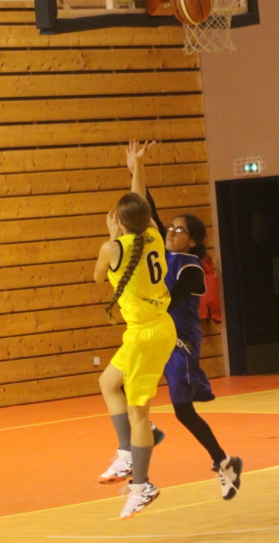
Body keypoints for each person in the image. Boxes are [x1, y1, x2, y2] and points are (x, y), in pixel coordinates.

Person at [127, 140, 243, 500]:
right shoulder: (164, 253)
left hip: (180, 341)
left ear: (193, 241)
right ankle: (148, 431)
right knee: (122, 382)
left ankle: (224, 462)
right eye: (171, 228)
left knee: (184, 411)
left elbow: (169, 301)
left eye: (179, 231)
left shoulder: (191, 267)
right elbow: (149, 212)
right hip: (158, 335)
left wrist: (136, 301)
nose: (171, 232)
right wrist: (137, 168)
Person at [94, 143, 177, 519]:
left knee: (138, 412)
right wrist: (137, 167)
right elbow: (141, 202)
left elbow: (98, 278)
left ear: (120, 221)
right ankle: (128, 451)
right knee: (109, 382)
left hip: (147, 336)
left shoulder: (112, 249)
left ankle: (143, 486)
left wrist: (111, 237)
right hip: (154, 328)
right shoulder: (154, 234)